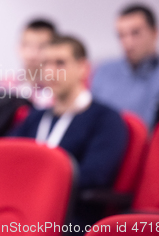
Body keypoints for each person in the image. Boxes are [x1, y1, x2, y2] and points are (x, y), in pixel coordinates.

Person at [10, 35, 128, 231]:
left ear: (83, 68)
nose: (50, 72)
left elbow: (94, 175)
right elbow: (6, 156)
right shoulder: (35, 116)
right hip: (21, 211)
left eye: (60, 63)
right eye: (46, 63)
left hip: (69, 218)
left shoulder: (105, 119)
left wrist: (36, 180)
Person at [91, 3, 159, 129]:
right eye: (121, 35)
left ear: (155, 33)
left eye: (135, 33)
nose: (128, 42)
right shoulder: (104, 70)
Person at [17, 18, 57, 109]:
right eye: (26, 45)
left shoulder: (59, 92)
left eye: (41, 47)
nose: (32, 54)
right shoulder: (4, 86)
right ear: (18, 47)